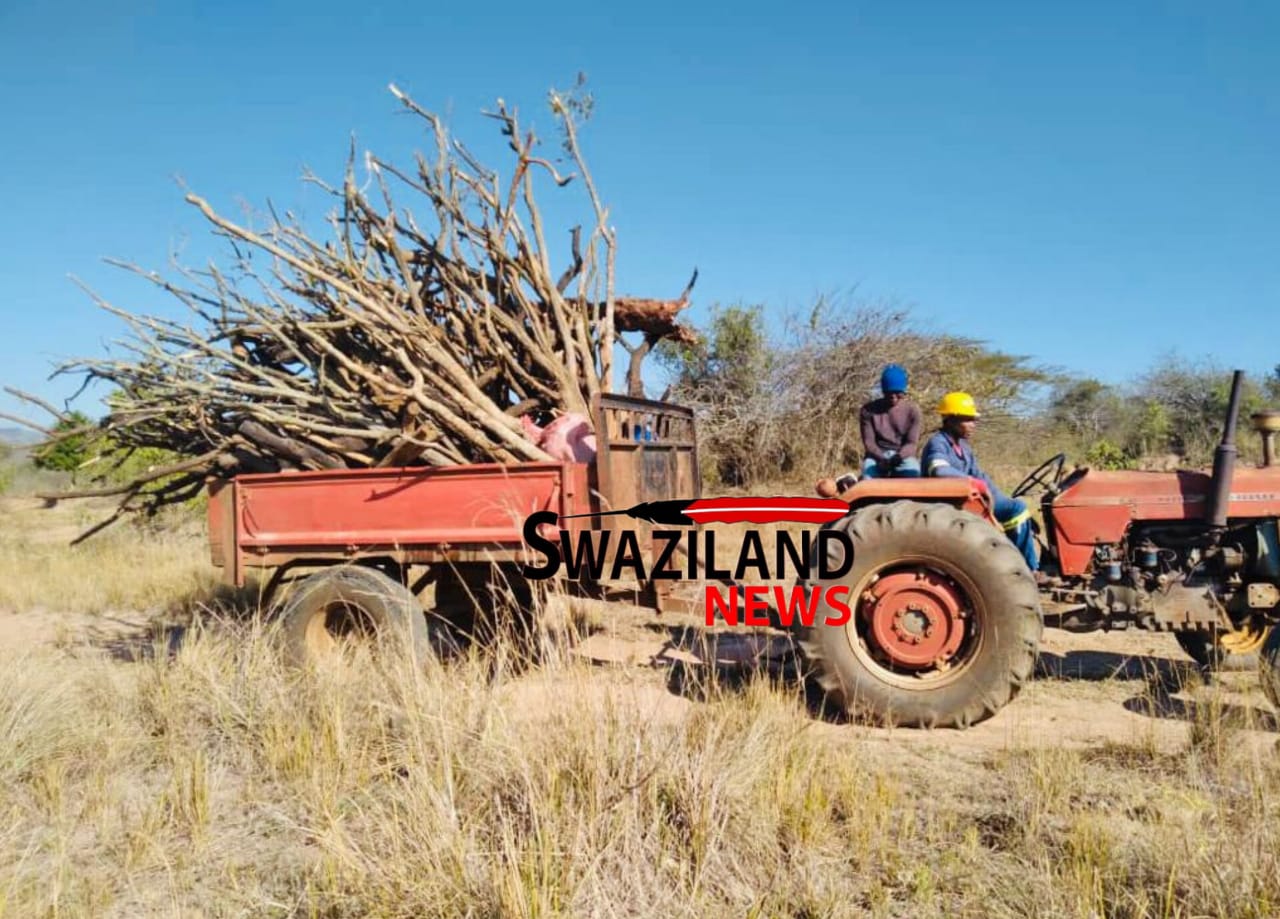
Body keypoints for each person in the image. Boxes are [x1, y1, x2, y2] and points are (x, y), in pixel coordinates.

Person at [921, 391, 1042, 578]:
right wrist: (973, 483)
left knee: (1015, 506)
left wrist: (998, 497)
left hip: (972, 500)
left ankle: (1021, 563)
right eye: (968, 420)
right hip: (952, 504)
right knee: (1018, 509)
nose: (973, 424)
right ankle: (1027, 570)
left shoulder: (963, 447)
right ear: (952, 420)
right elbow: (938, 469)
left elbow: (980, 475)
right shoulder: (938, 443)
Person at [858, 363, 922, 478]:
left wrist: (899, 457)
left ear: (904, 392)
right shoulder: (868, 410)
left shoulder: (913, 411)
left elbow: (912, 443)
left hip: (902, 456)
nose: (893, 397)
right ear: (883, 391)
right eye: (889, 393)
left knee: (914, 474)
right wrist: (882, 459)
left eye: (898, 393)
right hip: (876, 457)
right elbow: (869, 443)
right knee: (867, 477)